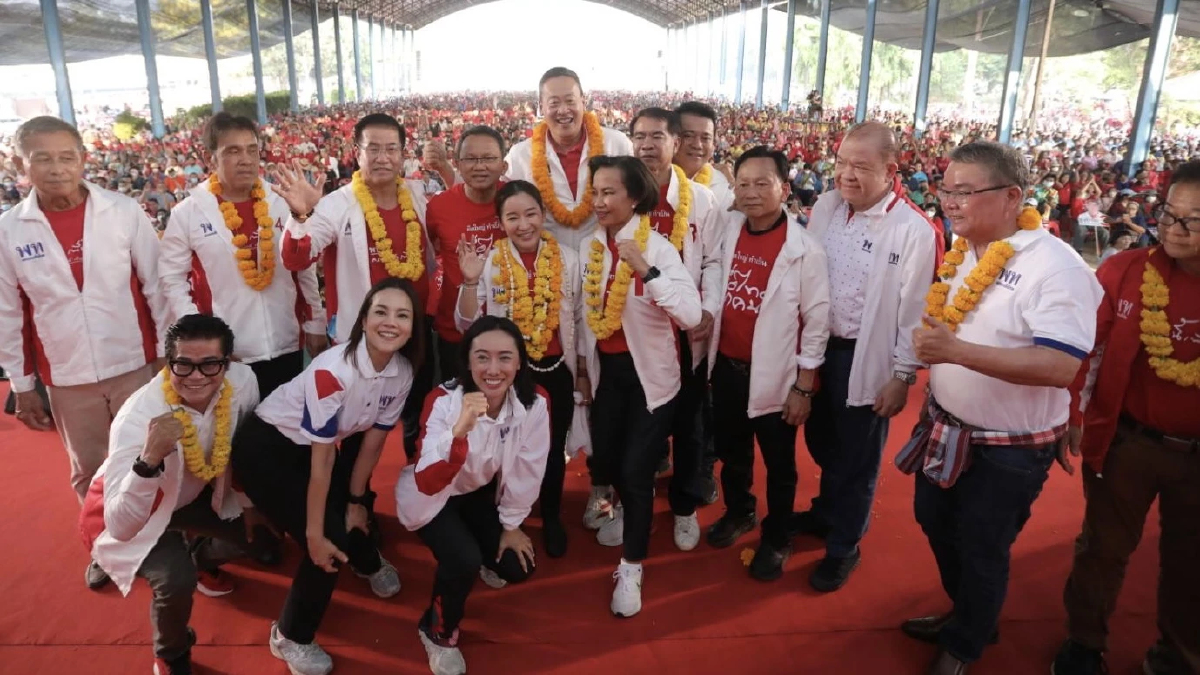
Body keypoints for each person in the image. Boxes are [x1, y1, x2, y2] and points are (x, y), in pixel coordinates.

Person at [895, 141, 1103, 675]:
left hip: (1009, 448)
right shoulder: (964, 249)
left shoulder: (1055, 266)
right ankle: (969, 614)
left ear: (1013, 197)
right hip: (946, 425)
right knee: (934, 521)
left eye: (965, 192)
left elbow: (1060, 366)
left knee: (982, 546)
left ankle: (965, 643)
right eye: (945, 189)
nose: (949, 202)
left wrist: (955, 352)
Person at [0, 116, 171, 590]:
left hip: (134, 361)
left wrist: (166, 352)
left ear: (83, 159)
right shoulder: (8, 230)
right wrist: (22, 386)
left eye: (66, 157)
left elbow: (157, 285)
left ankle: (164, 542)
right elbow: (7, 314)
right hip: (67, 372)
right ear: (21, 165)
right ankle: (103, 546)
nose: (57, 168)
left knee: (151, 456)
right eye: (42, 158)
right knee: (90, 470)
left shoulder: (122, 211)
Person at [1052, 160, 1200, 675]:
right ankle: (1083, 642)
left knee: (1191, 565)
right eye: (1169, 214)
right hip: (1130, 443)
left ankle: (1178, 657)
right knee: (1102, 549)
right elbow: (1086, 348)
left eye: (1192, 220)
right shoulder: (1125, 270)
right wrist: (1072, 412)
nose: (1174, 229)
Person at [231, 278, 420, 675]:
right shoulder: (334, 371)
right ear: (363, 320)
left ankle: (366, 562)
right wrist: (315, 536)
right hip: (267, 450)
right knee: (327, 538)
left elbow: (372, 445)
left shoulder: (402, 371)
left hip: (313, 450)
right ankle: (290, 636)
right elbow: (321, 464)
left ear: (412, 327)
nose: (391, 322)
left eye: (402, 315)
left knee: (352, 508)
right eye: (381, 312)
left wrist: (356, 501)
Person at [80, 315, 267, 675]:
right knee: (175, 579)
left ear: (228, 363)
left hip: (194, 496)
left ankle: (200, 558)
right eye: (183, 364)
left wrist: (249, 504)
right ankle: (172, 651)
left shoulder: (243, 382)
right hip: (136, 514)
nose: (196, 376)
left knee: (262, 536)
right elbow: (119, 525)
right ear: (168, 363)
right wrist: (148, 460)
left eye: (210, 364)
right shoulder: (137, 416)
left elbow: (242, 448)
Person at [800, 122, 942, 592]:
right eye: (841, 163)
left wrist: (902, 375)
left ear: (890, 170)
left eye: (860, 166)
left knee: (857, 457)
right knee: (822, 440)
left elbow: (915, 312)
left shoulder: (912, 230)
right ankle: (826, 512)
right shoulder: (827, 206)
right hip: (819, 348)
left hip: (864, 357)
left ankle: (845, 544)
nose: (846, 174)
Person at [577, 155, 702, 617]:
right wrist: (582, 369)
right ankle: (633, 511)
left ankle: (631, 568)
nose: (599, 201)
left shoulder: (659, 248)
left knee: (635, 472)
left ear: (634, 197)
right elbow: (583, 316)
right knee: (608, 461)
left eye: (609, 192)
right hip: (607, 376)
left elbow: (690, 315)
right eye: (595, 192)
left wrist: (647, 270)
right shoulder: (591, 246)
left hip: (651, 379)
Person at [273, 113, 434, 463]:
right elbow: (295, 259)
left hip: (416, 330)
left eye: (391, 149)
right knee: (357, 425)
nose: (382, 158)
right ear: (356, 153)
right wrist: (300, 217)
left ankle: (415, 476)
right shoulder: (336, 204)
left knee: (417, 415)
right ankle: (352, 491)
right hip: (362, 337)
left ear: (403, 154)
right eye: (373, 149)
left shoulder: (418, 196)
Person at [396, 316, 550, 675]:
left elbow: (529, 467)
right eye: (482, 357)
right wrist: (459, 432)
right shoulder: (442, 401)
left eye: (504, 357)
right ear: (467, 361)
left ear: (520, 362)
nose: (493, 369)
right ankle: (437, 631)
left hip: (476, 492)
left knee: (517, 566)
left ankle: (479, 550)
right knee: (463, 560)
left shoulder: (535, 402)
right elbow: (428, 480)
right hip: (433, 497)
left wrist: (511, 525)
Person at [704, 146, 831, 580]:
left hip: (776, 377)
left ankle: (777, 536)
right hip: (728, 368)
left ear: (785, 189)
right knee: (732, 453)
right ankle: (740, 511)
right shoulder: (729, 229)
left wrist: (804, 386)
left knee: (779, 465)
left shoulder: (804, 249)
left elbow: (817, 321)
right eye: (743, 183)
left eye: (763, 183)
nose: (751, 192)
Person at [159, 113, 328, 400]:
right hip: (227, 353)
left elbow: (304, 269)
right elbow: (172, 280)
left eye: (252, 150)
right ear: (210, 158)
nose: (246, 160)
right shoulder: (188, 213)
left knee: (286, 422)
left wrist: (315, 323)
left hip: (287, 340)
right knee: (235, 426)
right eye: (233, 151)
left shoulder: (282, 200)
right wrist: (203, 339)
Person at [456, 180, 581, 558]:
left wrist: (583, 372)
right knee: (503, 445)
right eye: (513, 217)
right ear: (501, 222)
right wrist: (470, 281)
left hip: (556, 369)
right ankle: (507, 518)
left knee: (551, 449)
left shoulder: (568, 259)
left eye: (531, 214)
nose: (523, 225)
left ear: (543, 215)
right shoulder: (491, 261)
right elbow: (465, 324)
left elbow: (579, 319)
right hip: (507, 375)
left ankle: (552, 515)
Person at [629, 107, 723, 548]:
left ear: (675, 143)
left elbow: (714, 260)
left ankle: (684, 506)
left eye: (657, 137)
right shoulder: (621, 192)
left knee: (689, 423)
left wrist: (707, 309)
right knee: (641, 422)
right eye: (640, 137)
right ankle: (636, 500)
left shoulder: (701, 200)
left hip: (687, 331)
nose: (648, 146)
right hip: (637, 329)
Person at [504, 67, 633, 251]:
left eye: (570, 101)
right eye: (554, 103)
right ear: (541, 106)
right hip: (546, 261)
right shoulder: (519, 155)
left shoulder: (617, 145)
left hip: (608, 257)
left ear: (583, 102)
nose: (563, 110)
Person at [425, 126, 508, 381]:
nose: (480, 166)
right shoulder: (439, 206)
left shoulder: (516, 199)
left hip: (509, 328)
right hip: (455, 332)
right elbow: (431, 251)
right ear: (458, 164)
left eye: (489, 158)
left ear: (503, 164)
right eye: (471, 159)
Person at [672, 101, 733, 210]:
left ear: (713, 143)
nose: (697, 145)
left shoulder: (724, 186)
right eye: (688, 136)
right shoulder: (650, 179)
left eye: (705, 138)